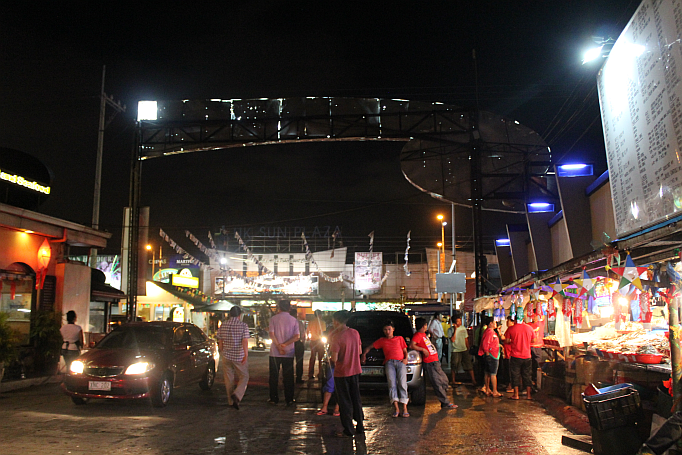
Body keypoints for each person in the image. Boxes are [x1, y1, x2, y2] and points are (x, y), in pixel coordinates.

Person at [361, 320, 409, 418]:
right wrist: (364, 354)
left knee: (402, 384)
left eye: (389, 329)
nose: (387, 332)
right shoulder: (382, 341)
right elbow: (369, 347)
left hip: (400, 362)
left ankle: (405, 408)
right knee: (392, 384)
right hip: (389, 363)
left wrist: (406, 359)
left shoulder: (400, 339)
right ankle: (396, 408)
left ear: (393, 330)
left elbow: (405, 350)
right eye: (385, 330)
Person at [410, 317, 458, 409]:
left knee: (444, 380)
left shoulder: (423, 335)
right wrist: (422, 349)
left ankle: (444, 399)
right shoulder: (418, 335)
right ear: (424, 326)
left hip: (434, 361)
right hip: (430, 362)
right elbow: (412, 345)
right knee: (438, 383)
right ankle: (445, 402)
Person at [330, 310, 364, 437]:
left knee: (344, 400)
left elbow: (334, 358)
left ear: (337, 321)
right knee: (356, 398)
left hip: (342, 372)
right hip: (355, 371)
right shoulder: (355, 333)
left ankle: (348, 428)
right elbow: (359, 351)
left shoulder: (337, 337)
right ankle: (360, 425)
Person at [216, 306, 250, 409]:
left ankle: (231, 401)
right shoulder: (243, 326)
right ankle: (237, 394)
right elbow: (244, 341)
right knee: (244, 376)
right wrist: (246, 354)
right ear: (239, 315)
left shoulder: (223, 325)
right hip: (238, 356)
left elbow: (220, 340)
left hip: (226, 355)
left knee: (228, 378)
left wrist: (222, 350)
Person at [268, 300, 300, 406]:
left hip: (274, 353)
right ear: (289, 308)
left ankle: (273, 398)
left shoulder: (273, 319)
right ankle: (289, 399)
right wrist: (285, 345)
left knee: (273, 376)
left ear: (279, 307)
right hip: (289, 352)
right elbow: (297, 336)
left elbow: (272, 334)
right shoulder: (294, 320)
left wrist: (278, 346)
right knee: (288, 376)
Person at [504, 316, 534, 400]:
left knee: (515, 375)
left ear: (516, 320)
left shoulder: (511, 329)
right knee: (527, 375)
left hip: (515, 356)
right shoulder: (529, 328)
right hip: (527, 355)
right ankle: (528, 395)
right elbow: (534, 340)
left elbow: (506, 340)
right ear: (523, 319)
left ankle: (516, 395)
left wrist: (513, 340)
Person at [316, 324, 340, 417]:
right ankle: (325, 407)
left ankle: (336, 408)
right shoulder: (333, 332)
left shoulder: (347, 334)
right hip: (333, 363)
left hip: (341, 364)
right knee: (330, 384)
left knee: (339, 386)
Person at [449, 316, 477, 386]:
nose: (460, 322)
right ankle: (453, 380)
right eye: (458, 321)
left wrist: (468, 348)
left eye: (460, 321)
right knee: (454, 365)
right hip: (455, 350)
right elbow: (452, 340)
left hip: (464, 349)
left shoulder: (463, 328)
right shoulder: (450, 330)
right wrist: (455, 330)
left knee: (469, 365)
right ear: (454, 322)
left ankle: (473, 380)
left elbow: (466, 339)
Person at [479, 319, 502, 397]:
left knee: (488, 372)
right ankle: (494, 391)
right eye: (495, 322)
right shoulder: (490, 332)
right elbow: (486, 344)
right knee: (493, 373)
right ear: (491, 323)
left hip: (492, 354)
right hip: (492, 355)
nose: (496, 324)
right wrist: (488, 354)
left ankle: (488, 388)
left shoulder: (490, 332)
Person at [307, 310, 326, 380]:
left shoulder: (310, 322)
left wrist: (309, 337)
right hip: (320, 341)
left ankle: (310, 374)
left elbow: (308, 331)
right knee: (320, 358)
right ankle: (320, 374)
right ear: (320, 315)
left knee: (312, 357)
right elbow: (323, 332)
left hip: (312, 341)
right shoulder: (323, 322)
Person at [290, 308, 306, 384]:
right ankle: (298, 378)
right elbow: (303, 334)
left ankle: (288, 378)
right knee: (299, 361)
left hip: (289, 343)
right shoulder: (299, 323)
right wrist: (303, 342)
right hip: (298, 343)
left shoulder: (288, 323)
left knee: (289, 361)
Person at [529, 311, 545, 388]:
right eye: (532, 316)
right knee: (530, 365)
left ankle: (537, 381)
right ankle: (531, 381)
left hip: (538, 347)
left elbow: (544, 315)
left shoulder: (541, 323)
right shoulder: (528, 325)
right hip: (530, 347)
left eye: (535, 316)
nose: (533, 318)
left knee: (538, 364)